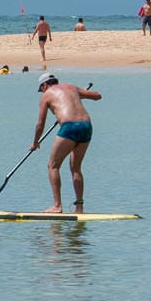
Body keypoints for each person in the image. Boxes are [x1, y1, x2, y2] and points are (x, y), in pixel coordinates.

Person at [33, 73, 101, 214]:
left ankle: (57, 206)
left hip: (70, 127)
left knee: (53, 166)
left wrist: (35, 142)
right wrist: (79, 95)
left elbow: (40, 124)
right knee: (76, 168)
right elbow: (97, 96)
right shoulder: (71, 87)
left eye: (42, 89)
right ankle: (79, 208)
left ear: (44, 85)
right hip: (87, 126)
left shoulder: (46, 95)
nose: (43, 92)